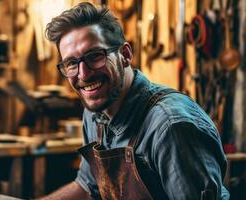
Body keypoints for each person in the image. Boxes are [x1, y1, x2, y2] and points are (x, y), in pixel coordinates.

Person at [42, 2, 229, 200]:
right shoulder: (95, 112)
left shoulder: (171, 127)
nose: (84, 74)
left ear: (125, 55)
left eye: (95, 56)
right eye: (72, 63)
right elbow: (88, 187)